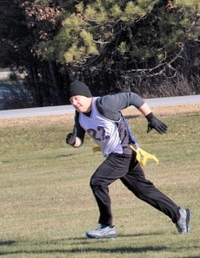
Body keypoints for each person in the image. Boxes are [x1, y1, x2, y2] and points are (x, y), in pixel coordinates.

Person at [66, 80, 191, 239]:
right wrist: (72, 141)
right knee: (143, 191)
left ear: (86, 95)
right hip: (119, 155)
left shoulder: (104, 103)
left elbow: (133, 97)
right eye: (71, 101)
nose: (74, 103)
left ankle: (107, 226)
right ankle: (179, 214)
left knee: (97, 181)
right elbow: (79, 141)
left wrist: (151, 118)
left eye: (77, 98)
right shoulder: (80, 114)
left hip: (122, 153)